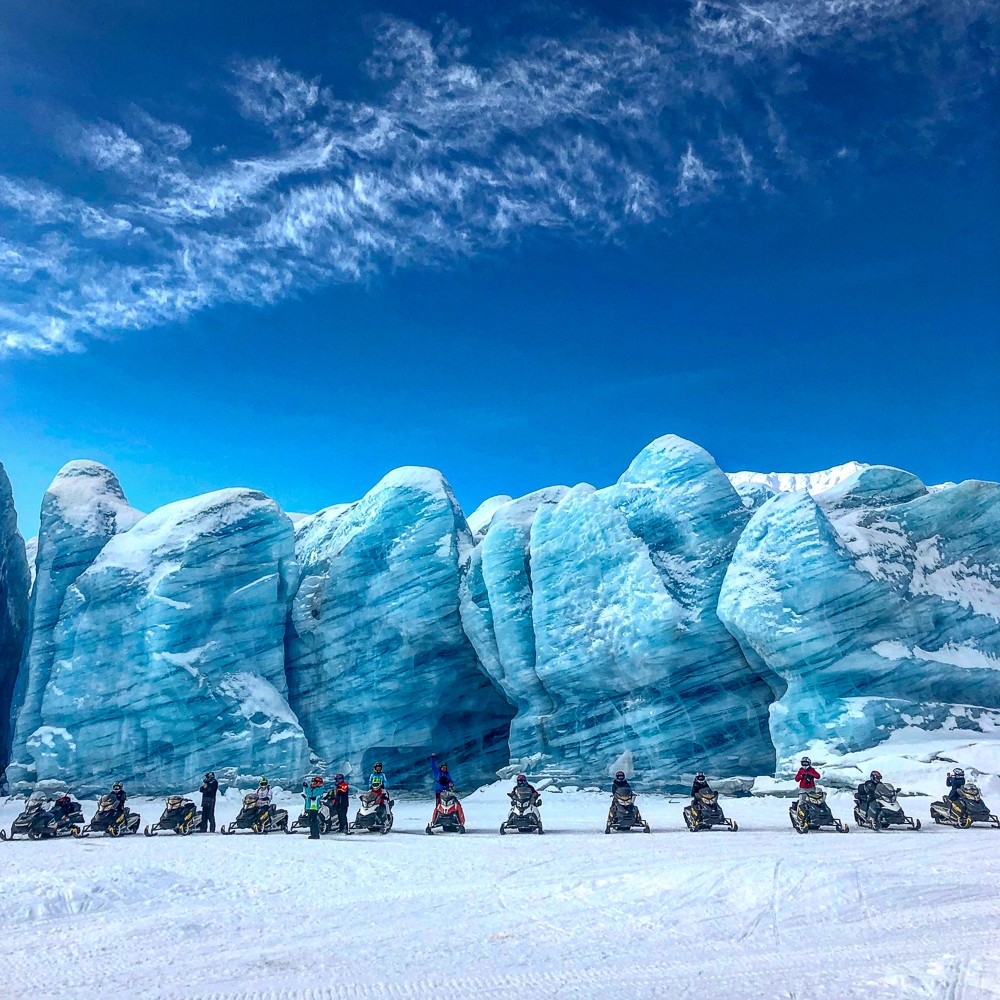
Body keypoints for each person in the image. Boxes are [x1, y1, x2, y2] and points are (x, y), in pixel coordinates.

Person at [430, 755, 465, 826]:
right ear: (441, 768)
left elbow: (451, 781)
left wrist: (451, 784)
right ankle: (434, 821)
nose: (444, 769)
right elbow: (433, 766)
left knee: (453, 804)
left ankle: (456, 819)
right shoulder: (438, 773)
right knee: (438, 806)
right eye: (443, 767)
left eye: (445, 768)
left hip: (447, 792)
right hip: (439, 792)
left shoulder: (447, 774)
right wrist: (433, 758)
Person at [302, 775, 324, 840]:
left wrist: (307, 788)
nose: (313, 783)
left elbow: (311, 795)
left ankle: (315, 835)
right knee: (311, 821)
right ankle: (313, 834)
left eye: (314, 782)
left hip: (313, 807)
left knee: (313, 821)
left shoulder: (319, 789)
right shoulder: (313, 789)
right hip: (310, 807)